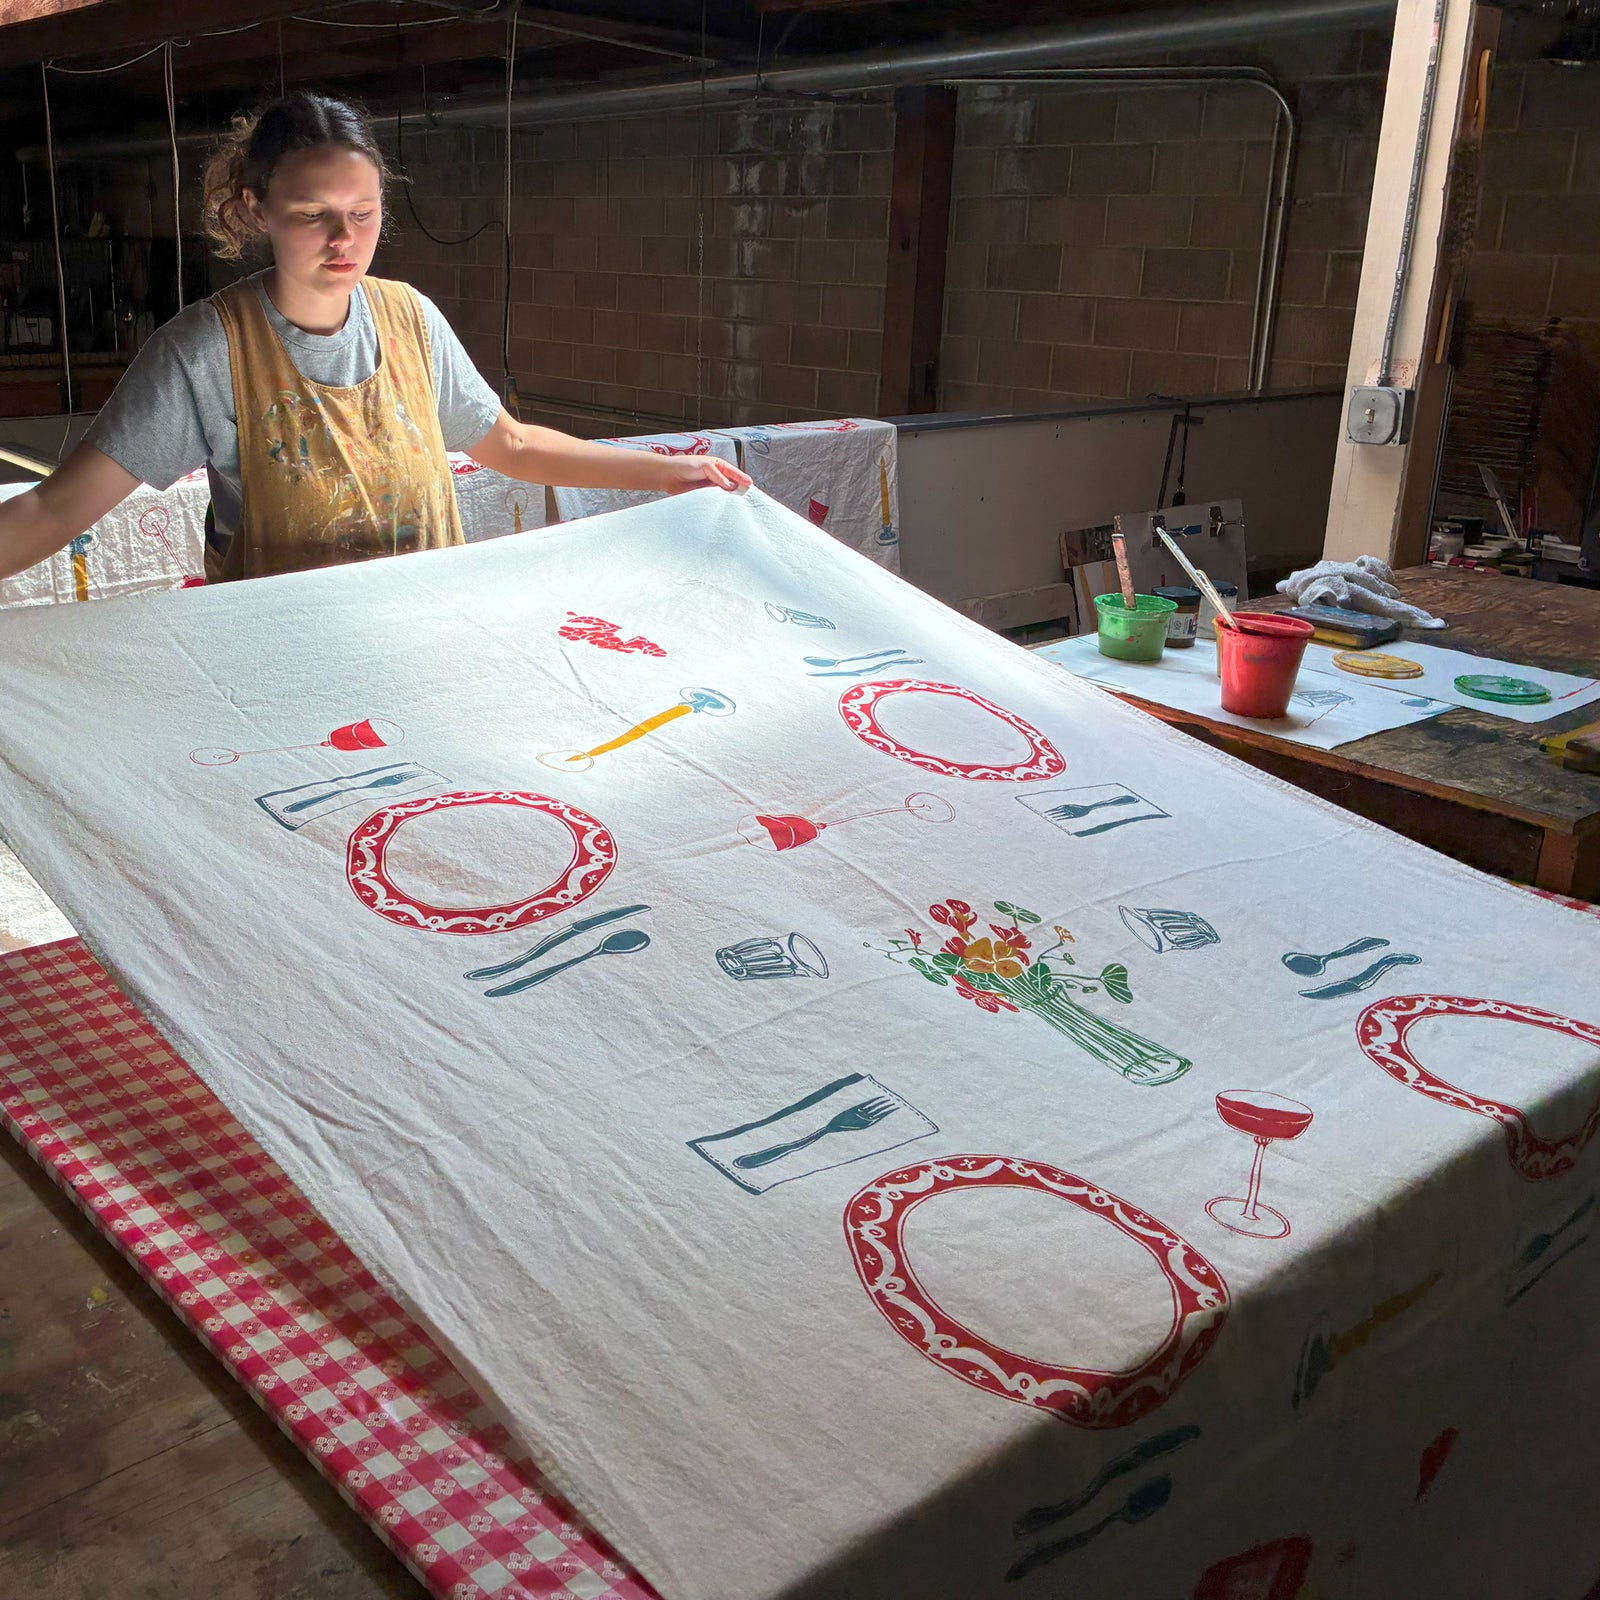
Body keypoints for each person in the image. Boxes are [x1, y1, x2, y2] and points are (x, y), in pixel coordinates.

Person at [0, 91, 748, 585]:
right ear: (255, 209)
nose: (343, 238)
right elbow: (55, 511)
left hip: (425, 640)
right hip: (280, 667)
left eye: (364, 211)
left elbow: (510, 447)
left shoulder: (411, 321)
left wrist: (662, 473)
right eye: (311, 213)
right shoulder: (207, 351)